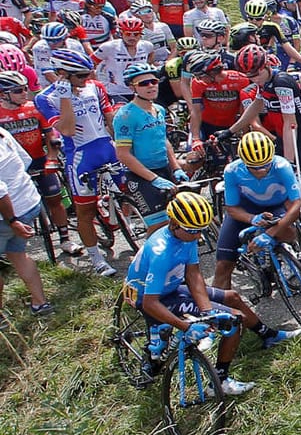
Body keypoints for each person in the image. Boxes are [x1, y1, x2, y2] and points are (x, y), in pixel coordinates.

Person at [126, 190, 296, 395]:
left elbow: (194, 276)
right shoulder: (161, 252)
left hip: (168, 288)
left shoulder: (185, 236)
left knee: (232, 297)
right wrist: (184, 326)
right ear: (173, 223)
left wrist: (207, 312)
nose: (197, 236)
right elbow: (150, 304)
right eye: (192, 230)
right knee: (233, 321)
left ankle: (268, 335)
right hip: (149, 297)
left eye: (201, 230)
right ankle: (218, 381)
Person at [34, 47, 118, 275]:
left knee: (130, 193)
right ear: (62, 74)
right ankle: (97, 260)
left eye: (88, 73)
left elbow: (109, 118)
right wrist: (65, 98)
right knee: (86, 212)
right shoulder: (46, 98)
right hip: (81, 157)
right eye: (80, 75)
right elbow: (68, 129)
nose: (87, 78)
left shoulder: (95, 86)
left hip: (107, 147)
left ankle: (115, 213)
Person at [0, 68, 81, 256]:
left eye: (25, 89)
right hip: (14, 167)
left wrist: (52, 158)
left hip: (39, 159)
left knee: (55, 199)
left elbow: (50, 135)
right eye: (18, 91)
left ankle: (65, 239)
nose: (25, 94)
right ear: (4, 95)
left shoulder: (33, 107)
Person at [212, 132, 301, 290]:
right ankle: (217, 310)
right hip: (247, 208)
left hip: (276, 206)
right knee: (223, 266)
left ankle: (285, 251)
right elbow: (232, 209)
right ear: (244, 162)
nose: (261, 170)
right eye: (254, 167)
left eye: (266, 165)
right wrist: (252, 218)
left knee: (288, 232)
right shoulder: (232, 171)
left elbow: (296, 205)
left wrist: (270, 233)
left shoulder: (281, 166)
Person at [112, 63, 187, 233]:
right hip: (141, 175)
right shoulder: (126, 115)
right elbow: (123, 154)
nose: (151, 86)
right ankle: (147, 258)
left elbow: (164, 140)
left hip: (164, 168)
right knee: (158, 226)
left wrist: (175, 167)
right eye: (143, 84)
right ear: (132, 87)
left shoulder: (159, 109)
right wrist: (153, 178)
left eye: (153, 81)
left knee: (180, 218)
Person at [0, 124, 54, 315]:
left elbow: (1, 192)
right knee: (17, 253)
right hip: (29, 202)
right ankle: (40, 303)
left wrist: (13, 221)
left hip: (8, 214)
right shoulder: (3, 132)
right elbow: (25, 160)